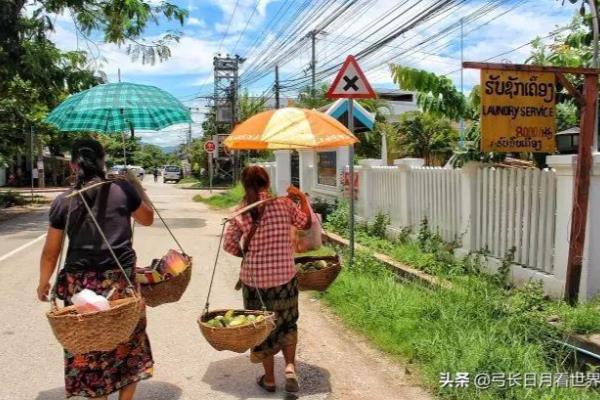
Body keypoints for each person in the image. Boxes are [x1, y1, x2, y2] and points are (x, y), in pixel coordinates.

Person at [37, 138, 154, 400]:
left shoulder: (64, 200)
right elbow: (147, 219)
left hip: (79, 286)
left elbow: (50, 252)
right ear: (103, 162)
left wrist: (43, 282)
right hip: (120, 282)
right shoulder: (122, 189)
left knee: (88, 346)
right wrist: (134, 187)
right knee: (129, 343)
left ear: (72, 165)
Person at [223, 166, 311, 393]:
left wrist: (250, 255)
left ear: (244, 184)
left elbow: (230, 246)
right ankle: (290, 367)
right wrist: (300, 197)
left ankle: (270, 378)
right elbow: (306, 224)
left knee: (262, 328)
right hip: (285, 278)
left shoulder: (240, 211)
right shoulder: (284, 204)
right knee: (288, 323)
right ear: (267, 182)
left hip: (255, 283)